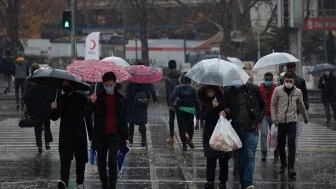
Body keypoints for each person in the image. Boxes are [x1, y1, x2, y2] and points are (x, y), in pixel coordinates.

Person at [85, 72, 128, 189]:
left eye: (111, 84)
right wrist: (91, 103)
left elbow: (124, 119)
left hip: (115, 134)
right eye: (106, 84)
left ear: (115, 83)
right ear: (103, 84)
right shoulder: (98, 98)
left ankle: (112, 185)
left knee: (112, 161)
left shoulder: (121, 98)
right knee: (101, 161)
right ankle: (104, 182)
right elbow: (87, 114)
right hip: (101, 134)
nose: (109, 87)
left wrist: (126, 137)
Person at [220, 80, 266, 189]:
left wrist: (259, 120)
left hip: (251, 129)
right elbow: (224, 107)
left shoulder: (253, 89)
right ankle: (243, 181)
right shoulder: (229, 91)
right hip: (236, 130)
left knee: (249, 156)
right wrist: (224, 111)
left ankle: (247, 183)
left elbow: (263, 104)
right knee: (239, 159)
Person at [51, 80, 93, 189]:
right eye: (63, 84)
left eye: (67, 83)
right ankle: (64, 181)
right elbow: (54, 117)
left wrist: (91, 135)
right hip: (65, 133)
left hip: (79, 133)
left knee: (80, 159)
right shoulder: (60, 99)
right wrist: (53, 108)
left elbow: (88, 117)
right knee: (65, 159)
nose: (65, 86)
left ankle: (80, 182)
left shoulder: (82, 98)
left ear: (72, 85)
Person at [270, 72, 309, 177]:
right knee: (281, 144)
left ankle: (291, 167)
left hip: (292, 121)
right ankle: (283, 164)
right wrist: (274, 118)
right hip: (280, 122)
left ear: (294, 81)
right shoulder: (277, 90)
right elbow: (273, 105)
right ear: (284, 80)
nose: (288, 83)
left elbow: (301, 105)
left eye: (291, 81)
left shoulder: (298, 91)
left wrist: (305, 117)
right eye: (287, 81)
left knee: (292, 144)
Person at [198, 85, 228, 189]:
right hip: (210, 133)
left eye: (211, 90)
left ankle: (223, 181)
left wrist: (223, 110)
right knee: (211, 158)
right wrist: (212, 107)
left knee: (223, 158)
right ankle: (210, 181)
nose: (209, 92)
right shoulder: (204, 101)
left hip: (222, 132)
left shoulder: (223, 99)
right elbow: (204, 117)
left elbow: (229, 112)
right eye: (207, 91)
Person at [23, 64, 55, 153]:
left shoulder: (29, 81)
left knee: (37, 126)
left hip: (35, 107)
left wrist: (27, 103)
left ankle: (39, 145)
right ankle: (47, 142)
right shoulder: (45, 80)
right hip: (46, 106)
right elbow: (50, 93)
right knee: (47, 124)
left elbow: (25, 95)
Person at [170, 73, 200, 151]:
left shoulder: (178, 88)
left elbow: (172, 97)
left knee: (181, 127)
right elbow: (197, 101)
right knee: (190, 126)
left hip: (180, 109)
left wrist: (173, 104)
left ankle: (184, 145)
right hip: (190, 110)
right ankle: (189, 139)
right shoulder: (193, 88)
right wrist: (198, 113)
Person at [126, 81, 158, 146]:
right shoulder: (146, 80)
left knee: (131, 122)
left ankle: (130, 138)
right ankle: (143, 139)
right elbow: (152, 90)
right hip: (142, 103)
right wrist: (155, 99)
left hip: (132, 104)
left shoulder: (132, 80)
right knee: (142, 121)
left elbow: (127, 93)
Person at [285, 62, 309, 151]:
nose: (289, 70)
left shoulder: (300, 80)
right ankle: (289, 148)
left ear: (294, 68)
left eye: (290, 68)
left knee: (297, 131)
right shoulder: (282, 80)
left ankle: (294, 150)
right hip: (286, 110)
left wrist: (306, 108)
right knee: (288, 132)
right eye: (288, 69)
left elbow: (305, 94)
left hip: (298, 110)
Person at [259, 72, 277, 161]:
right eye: (266, 80)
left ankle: (276, 151)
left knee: (275, 134)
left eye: (269, 80)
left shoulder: (276, 88)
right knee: (264, 134)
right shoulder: (260, 89)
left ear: (272, 80)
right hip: (264, 115)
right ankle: (264, 153)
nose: (268, 81)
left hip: (274, 115)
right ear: (264, 79)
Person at [165, 60, 182, 144]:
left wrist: (169, 103)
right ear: (175, 66)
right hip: (181, 100)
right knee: (181, 118)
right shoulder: (180, 75)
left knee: (171, 119)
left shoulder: (167, 77)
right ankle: (184, 133)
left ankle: (171, 137)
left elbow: (168, 92)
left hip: (172, 100)